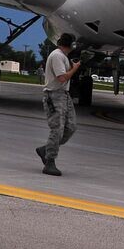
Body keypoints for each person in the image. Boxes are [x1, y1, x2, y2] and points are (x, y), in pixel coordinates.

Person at [36, 33, 81, 176]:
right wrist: (75, 68)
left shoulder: (62, 56)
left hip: (64, 95)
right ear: (71, 45)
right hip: (54, 95)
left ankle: (46, 149)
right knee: (57, 129)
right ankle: (49, 161)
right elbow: (61, 78)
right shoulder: (57, 56)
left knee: (71, 127)